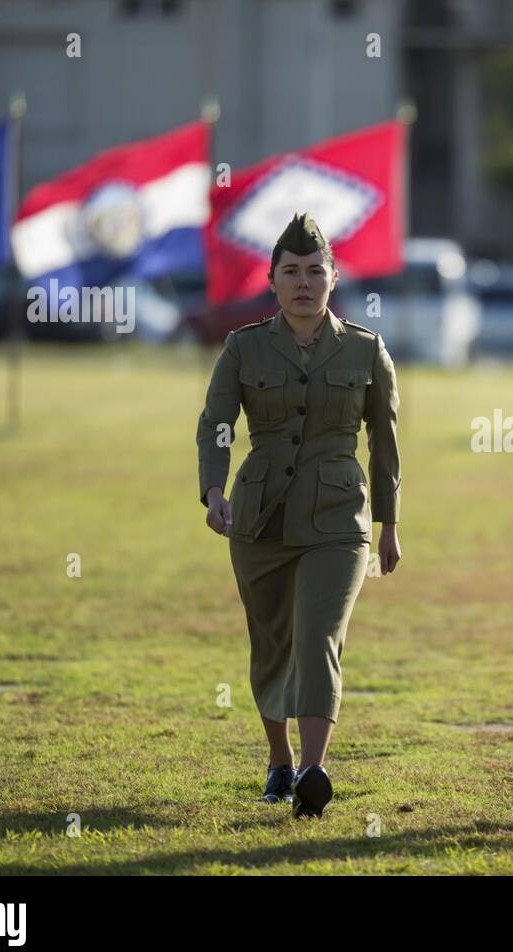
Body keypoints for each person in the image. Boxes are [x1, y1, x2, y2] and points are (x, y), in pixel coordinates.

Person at [196, 212, 402, 818]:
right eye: (291, 272)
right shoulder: (244, 346)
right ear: (272, 279)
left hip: (340, 518)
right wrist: (213, 492)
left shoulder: (367, 350)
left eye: (316, 271)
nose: (304, 283)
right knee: (272, 642)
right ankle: (279, 760)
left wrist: (390, 525)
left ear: (334, 278)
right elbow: (216, 425)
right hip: (259, 517)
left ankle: (314, 769)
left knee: (319, 637)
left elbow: (385, 441)